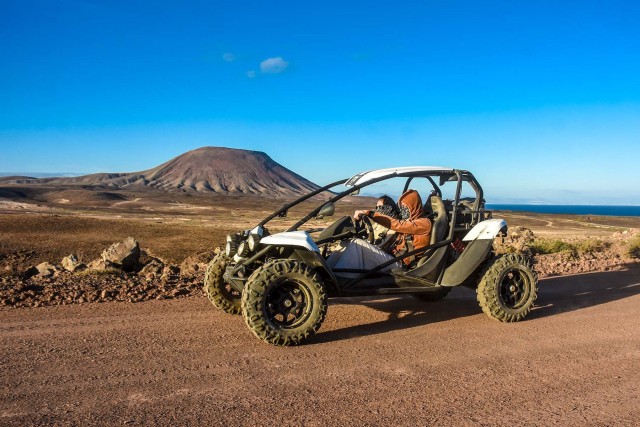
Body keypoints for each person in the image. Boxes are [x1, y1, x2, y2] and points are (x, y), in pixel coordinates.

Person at [327, 189, 432, 277]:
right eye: (402, 209)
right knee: (347, 242)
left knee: (357, 243)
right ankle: (326, 273)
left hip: (399, 263)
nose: (403, 212)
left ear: (414, 207)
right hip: (392, 256)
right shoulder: (411, 222)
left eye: (406, 209)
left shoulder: (423, 224)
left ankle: (340, 277)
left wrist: (369, 213)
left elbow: (397, 224)